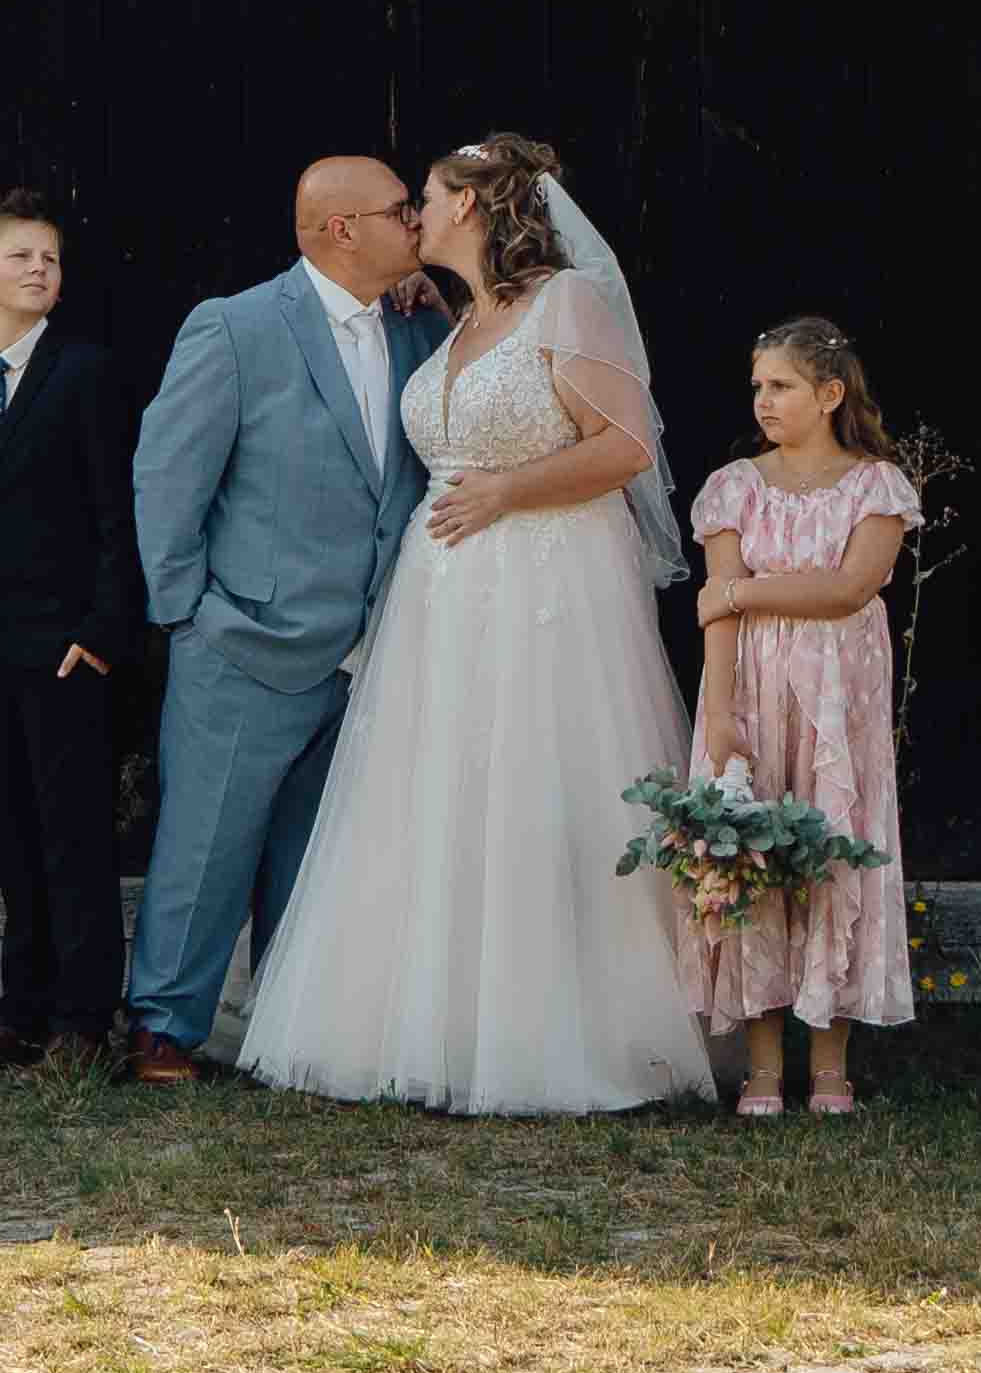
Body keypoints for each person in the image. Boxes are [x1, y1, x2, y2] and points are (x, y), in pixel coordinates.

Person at [236, 135, 722, 1117]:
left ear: (468, 206)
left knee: (540, 789)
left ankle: (556, 1032)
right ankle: (432, 1023)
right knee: (436, 797)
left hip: (548, 585)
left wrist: (507, 489)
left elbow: (626, 445)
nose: (413, 212)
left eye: (425, 195)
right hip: (442, 600)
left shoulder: (566, 303)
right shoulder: (458, 316)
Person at [119, 151, 438, 1085]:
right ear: (342, 230)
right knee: (206, 845)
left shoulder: (418, 328)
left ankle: (292, 1031)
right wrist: (189, 614)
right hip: (243, 641)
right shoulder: (236, 327)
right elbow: (166, 474)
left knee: (323, 855)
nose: (416, 220)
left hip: (372, 648)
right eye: (400, 209)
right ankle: (163, 1027)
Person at [685, 316, 921, 1121]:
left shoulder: (875, 487)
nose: (763, 400)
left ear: (829, 394)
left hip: (836, 698)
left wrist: (741, 590)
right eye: (757, 386)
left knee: (829, 854)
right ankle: (761, 1065)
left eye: (781, 386)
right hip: (751, 688)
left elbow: (850, 588)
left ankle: (828, 1062)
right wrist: (721, 712)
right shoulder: (734, 487)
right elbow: (715, 613)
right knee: (750, 857)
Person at [0, 189, 141, 1069]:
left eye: (50, 258)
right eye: (21, 255)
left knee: (74, 835)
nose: (39, 269)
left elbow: (119, 512)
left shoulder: (84, 372)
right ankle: (20, 1015)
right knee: (13, 834)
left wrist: (102, 631)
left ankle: (83, 1023)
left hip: (65, 651)